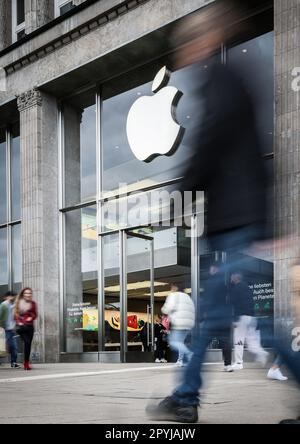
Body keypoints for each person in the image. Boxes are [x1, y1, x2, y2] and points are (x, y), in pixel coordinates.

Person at [146, 0, 273, 423]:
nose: (184, 57)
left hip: (233, 225)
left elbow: (210, 142)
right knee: (224, 321)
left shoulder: (222, 76)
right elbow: (254, 157)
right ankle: (186, 397)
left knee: (252, 326)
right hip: (235, 224)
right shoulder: (236, 74)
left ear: (201, 40)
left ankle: (185, 398)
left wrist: (181, 190)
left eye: (185, 47)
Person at [229, 271, 268, 370]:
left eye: (231, 276)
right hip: (251, 317)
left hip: (241, 317)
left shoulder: (236, 289)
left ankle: (238, 363)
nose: (230, 278)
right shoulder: (248, 288)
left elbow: (234, 304)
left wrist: (234, 319)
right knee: (251, 341)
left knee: (238, 340)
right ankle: (261, 353)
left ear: (235, 277)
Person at [201, 263, 233, 372]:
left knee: (204, 341)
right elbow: (228, 301)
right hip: (223, 317)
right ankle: (228, 365)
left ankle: (197, 363)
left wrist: (204, 313)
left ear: (213, 269)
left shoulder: (209, 283)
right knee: (225, 341)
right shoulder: (224, 284)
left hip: (212, 317)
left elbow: (206, 300)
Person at [161, 284, 195, 367]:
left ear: (176, 288)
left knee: (174, 342)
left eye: (172, 288)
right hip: (189, 323)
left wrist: (163, 310)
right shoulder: (187, 297)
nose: (171, 290)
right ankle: (180, 361)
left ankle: (190, 354)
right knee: (180, 343)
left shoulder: (174, 295)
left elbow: (168, 308)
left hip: (179, 322)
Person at [14, 288, 38, 371]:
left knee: (28, 345)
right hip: (21, 327)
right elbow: (15, 314)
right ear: (23, 294)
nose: (28, 295)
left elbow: (35, 315)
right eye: (26, 293)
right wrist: (19, 322)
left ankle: (26, 363)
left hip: (30, 327)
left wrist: (31, 317)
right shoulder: (18, 303)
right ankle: (26, 363)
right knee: (27, 342)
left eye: (29, 293)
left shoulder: (33, 304)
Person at [0, 291, 21, 368]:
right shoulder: (3, 305)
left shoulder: (12, 306)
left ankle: (13, 363)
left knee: (13, 347)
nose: (14, 298)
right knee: (2, 347)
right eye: (13, 296)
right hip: (4, 330)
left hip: (11, 330)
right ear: (8, 296)